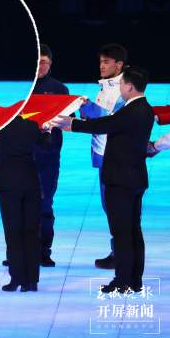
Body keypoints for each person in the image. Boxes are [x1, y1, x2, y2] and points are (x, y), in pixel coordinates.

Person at [52, 66, 153, 293]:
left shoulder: (131, 111)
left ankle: (123, 281)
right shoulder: (145, 109)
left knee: (122, 233)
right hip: (135, 178)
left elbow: (105, 125)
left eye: (122, 84)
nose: (120, 88)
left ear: (129, 86)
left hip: (121, 181)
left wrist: (72, 125)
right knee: (133, 231)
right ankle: (134, 280)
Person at [0, 116, 50, 292]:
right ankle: (32, 281)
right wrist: (47, 131)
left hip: (8, 184)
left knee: (13, 233)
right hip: (30, 182)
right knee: (31, 232)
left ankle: (17, 278)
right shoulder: (32, 126)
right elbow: (46, 143)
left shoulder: (0, 125)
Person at [79, 43, 127, 270]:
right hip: (104, 154)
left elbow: (109, 119)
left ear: (119, 64)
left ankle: (122, 254)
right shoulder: (106, 86)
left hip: (114, 156)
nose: (102, 66)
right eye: (100, 61)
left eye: (106, 62)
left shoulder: (122, 88)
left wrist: (87, 109)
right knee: (110, 206)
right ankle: (119, 251)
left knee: (116, 206)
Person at [31, 44, 69, 267]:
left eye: (44, 62)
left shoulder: (59, 88)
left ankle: (44, 251)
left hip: (48, 156)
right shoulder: (23, 87)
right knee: (20, 205)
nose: (40, 66)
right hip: (22, 155)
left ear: (50, 64)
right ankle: (18, 251)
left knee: (45, 203)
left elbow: (68, 119)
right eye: (37, 62)